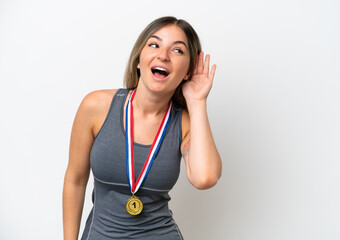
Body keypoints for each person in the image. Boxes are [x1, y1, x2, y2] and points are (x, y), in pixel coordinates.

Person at [62, 16, 222, 240]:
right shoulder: (96, 106)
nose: (163, 55)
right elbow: (75, 179)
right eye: (154, 45)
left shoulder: (184, 123)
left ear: (187, 71)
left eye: (177, 51)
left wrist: (197, 102)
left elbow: (205, 178)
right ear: (139, 59)